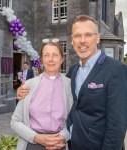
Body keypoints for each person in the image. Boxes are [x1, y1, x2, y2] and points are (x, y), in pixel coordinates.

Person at [16, 14, 127, 150]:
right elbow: (72, 109)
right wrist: (22, 91)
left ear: (97, 37)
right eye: (77, 35)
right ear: (72, 40)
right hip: (72, 144)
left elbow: (117, 125)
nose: (82, 41)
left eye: (88, 35)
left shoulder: (116, 69)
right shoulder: (73, 72)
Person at [11, 39, 73, 150]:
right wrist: (36, 137)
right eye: (46, 55)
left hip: (58, 144)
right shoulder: (29, 85)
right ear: (42, 60)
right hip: (31, 144)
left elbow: (74, 121)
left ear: (62, 59)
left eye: (55, 55)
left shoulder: (70, 85)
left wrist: (63, 136)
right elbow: (15, 121)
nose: (50, 59)